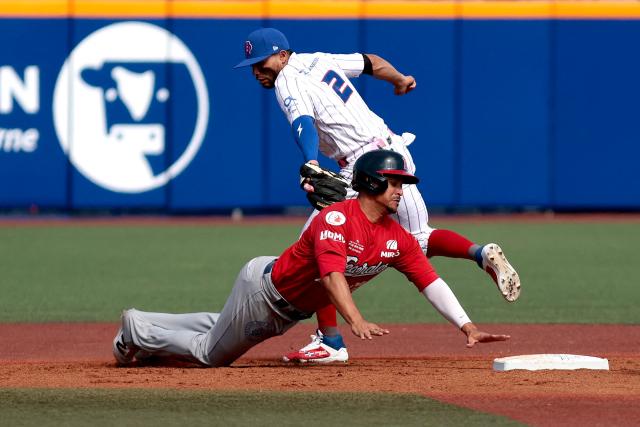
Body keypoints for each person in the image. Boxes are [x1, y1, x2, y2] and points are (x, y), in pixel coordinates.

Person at [234, 28, 521, 364]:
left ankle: (330, 341)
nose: (257, 70)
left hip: (362, 167)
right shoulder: (320, 60)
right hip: (395, 154)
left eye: (262, 62)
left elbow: (303, 124)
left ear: (282, 55)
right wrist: (400, 79)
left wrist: (311, 160)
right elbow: (372, 63)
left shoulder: (287, 82)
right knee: (418, 238)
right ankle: (479, 253)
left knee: (318, 248)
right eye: (252, 65)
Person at [112, 150, 510, 367]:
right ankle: (137, 331)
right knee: (211, 355)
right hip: (266, 294)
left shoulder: (397, 238)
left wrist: (467, 327)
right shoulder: (336, 217)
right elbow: (333, 275)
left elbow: (430, 281)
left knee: (223, 326)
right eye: (395, 182)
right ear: (371, 182)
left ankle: (149, 323)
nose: (401, 191)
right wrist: (354, 321)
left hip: (284, 304)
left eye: (402, 184)